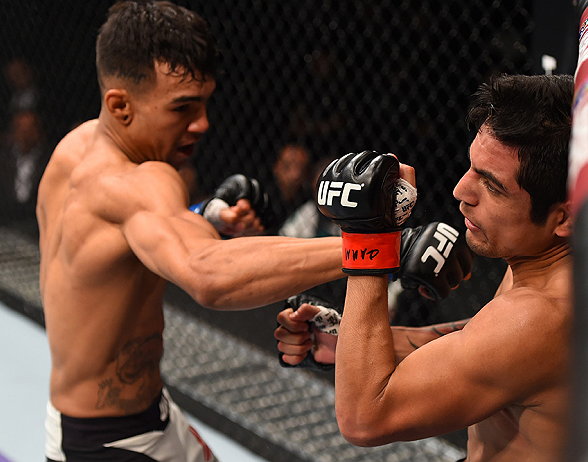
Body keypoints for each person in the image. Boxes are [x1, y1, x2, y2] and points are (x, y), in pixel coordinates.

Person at [37, 2, 459, 461]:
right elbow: (208, 273)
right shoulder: (142, 182)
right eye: (183, 107)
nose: (202, 123)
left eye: (204, 101)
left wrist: (204, 215)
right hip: (115, 444)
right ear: (121, 104)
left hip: (103, 421)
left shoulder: (76, 149)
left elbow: (118, 236)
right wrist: (380, 246)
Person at [275, 74, 574, 462]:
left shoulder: (539, 316)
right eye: (472, 167)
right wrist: (353, 343)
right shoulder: (546, 262)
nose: (461, 192)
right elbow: (479, 340)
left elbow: (365, 419)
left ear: (563, 216)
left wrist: (371, 240)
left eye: (493, 186)